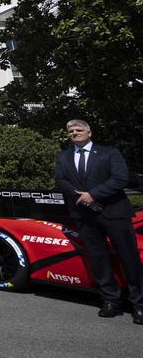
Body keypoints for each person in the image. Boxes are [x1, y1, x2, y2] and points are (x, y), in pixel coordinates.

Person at [54, 119, 143, 324]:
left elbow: (120, 179)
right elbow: (61, 180)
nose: (74, 133)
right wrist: (81, 198)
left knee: (128, 258)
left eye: (78, 130)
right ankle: (111, 300)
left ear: (89, 133)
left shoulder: (109, 153)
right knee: (98, 259)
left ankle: (139, 304)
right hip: (85, 216)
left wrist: (93, 194)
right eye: (70, 131)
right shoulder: (64, 156)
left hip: (114, 214)